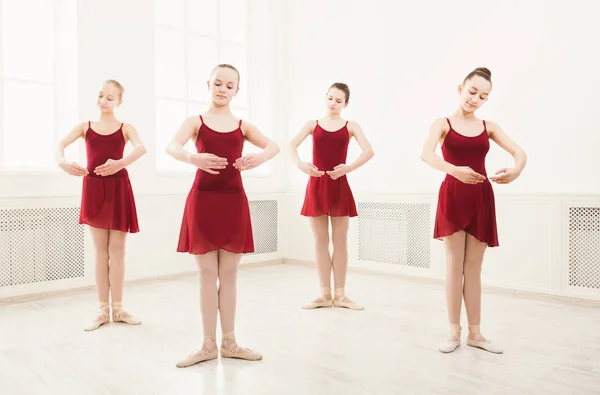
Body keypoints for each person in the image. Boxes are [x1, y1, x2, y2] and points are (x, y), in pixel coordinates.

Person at [166, 64, 280, 368]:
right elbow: (171, 145)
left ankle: (229, 343)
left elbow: (274, 145)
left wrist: (260, 157)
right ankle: (207, 345)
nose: (223, 89)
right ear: (208, 84)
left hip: (233, 202)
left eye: (229, 85)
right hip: (202, 202)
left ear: (237, 91)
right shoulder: (195, 122)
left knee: (229, 276)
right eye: (218, 83)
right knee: (206, 275)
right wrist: (192, 157)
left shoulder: (243, 126)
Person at [420, 67, 527, 353]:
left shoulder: (488, 127)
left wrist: (515, 171)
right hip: (453, 195)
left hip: (481, 198)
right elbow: (426, 154)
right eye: (472, 92)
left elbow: (520, 153)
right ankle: (453, 332)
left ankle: (476, 333)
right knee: (455, 267)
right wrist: (454, 170)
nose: (476, 99)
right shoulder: (441, 124)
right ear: (460, 88)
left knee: (474, 268)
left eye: (483, 96)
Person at [56, 79, 147, 331]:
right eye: (100, 96)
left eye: (110, 97)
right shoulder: (85, 127)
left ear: (119, 101)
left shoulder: (126, 127)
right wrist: (62, 162)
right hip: (93, 188)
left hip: (118, 189)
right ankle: (102, 310)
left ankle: (118, 309)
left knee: (117, 251)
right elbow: (60, 145)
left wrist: (119, 163)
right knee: (100, 251)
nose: (104, 101)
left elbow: (141, 149)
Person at [289, 82, 374, 310]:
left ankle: (341, 295)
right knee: (320, 241)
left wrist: (348, 168)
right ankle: (325, 295)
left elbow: (369, 151)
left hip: (339, 185)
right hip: (316, 185)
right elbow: (291, 146)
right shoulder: (312, 124)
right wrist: (301, 165)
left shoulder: (351, 126)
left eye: (338, 100)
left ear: (346, 104)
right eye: (330, 98)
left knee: (340, 242)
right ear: (324, 98)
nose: (332, 103)